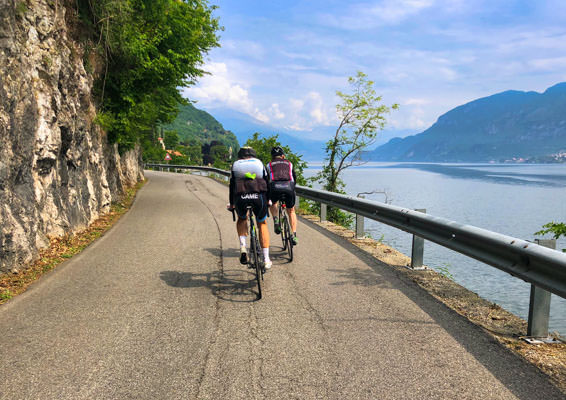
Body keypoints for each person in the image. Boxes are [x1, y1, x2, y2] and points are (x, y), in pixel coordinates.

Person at [227, 146, 272, 270]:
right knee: (262, 223)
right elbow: (267, 183)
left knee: (242, 219)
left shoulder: (235, 165)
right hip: (259, 196)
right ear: (254, 155)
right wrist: (269, 200)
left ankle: (243, 247)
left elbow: (232, 186)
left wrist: (232, 204)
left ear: (239, 156)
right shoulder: (259, 163)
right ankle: (266, 259)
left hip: (241, 197)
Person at [267, 146, 298, 245]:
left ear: (272, 157)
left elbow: (266, 180)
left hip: (275, 188)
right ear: (283, 156)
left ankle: (276, 220)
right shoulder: (289, 163)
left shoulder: (269, 165)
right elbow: (294, 177)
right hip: (288, 187)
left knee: (273, 202)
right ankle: (294, 234)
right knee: (291, 211)